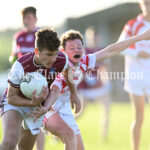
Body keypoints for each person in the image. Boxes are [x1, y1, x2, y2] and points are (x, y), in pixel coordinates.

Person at [30, 27, 150, 150]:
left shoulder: (84, 60)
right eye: (71, 48)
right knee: (69, 135)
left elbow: (111, 50)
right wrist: (45, 107)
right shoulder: (60, 65)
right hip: (46, 107)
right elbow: (55, 89)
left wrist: (140, 37)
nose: (76, 50)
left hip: (64, 108)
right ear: (62, 51)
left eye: (79, 47)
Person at [0, 27, 80, 150]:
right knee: (10, 142)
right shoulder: (21, 66)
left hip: (36, 106)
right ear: (37, 51)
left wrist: (74, 94)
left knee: (25, 148)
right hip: (15, 102)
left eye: (54, 54)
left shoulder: (61, 59)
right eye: (48, 54)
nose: (53, 59)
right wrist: (30, 102)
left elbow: (68, 71)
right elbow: (11, 98)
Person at [8, 6, 45, 150]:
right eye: (24, 18)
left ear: (35, 19)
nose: (26, 21)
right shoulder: (18, 36)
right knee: (23, 119)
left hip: (38, 82)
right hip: (22, 82)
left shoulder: (41, 34)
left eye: (29, 18)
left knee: (37, 119)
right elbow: (14, 56)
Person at [119, 0, 150, 150]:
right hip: (136, 77)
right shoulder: (132, 25)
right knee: (139, 118)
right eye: (146, 3)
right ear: (141, 5)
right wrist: (137, 52)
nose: (148, 6)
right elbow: (119, 47)